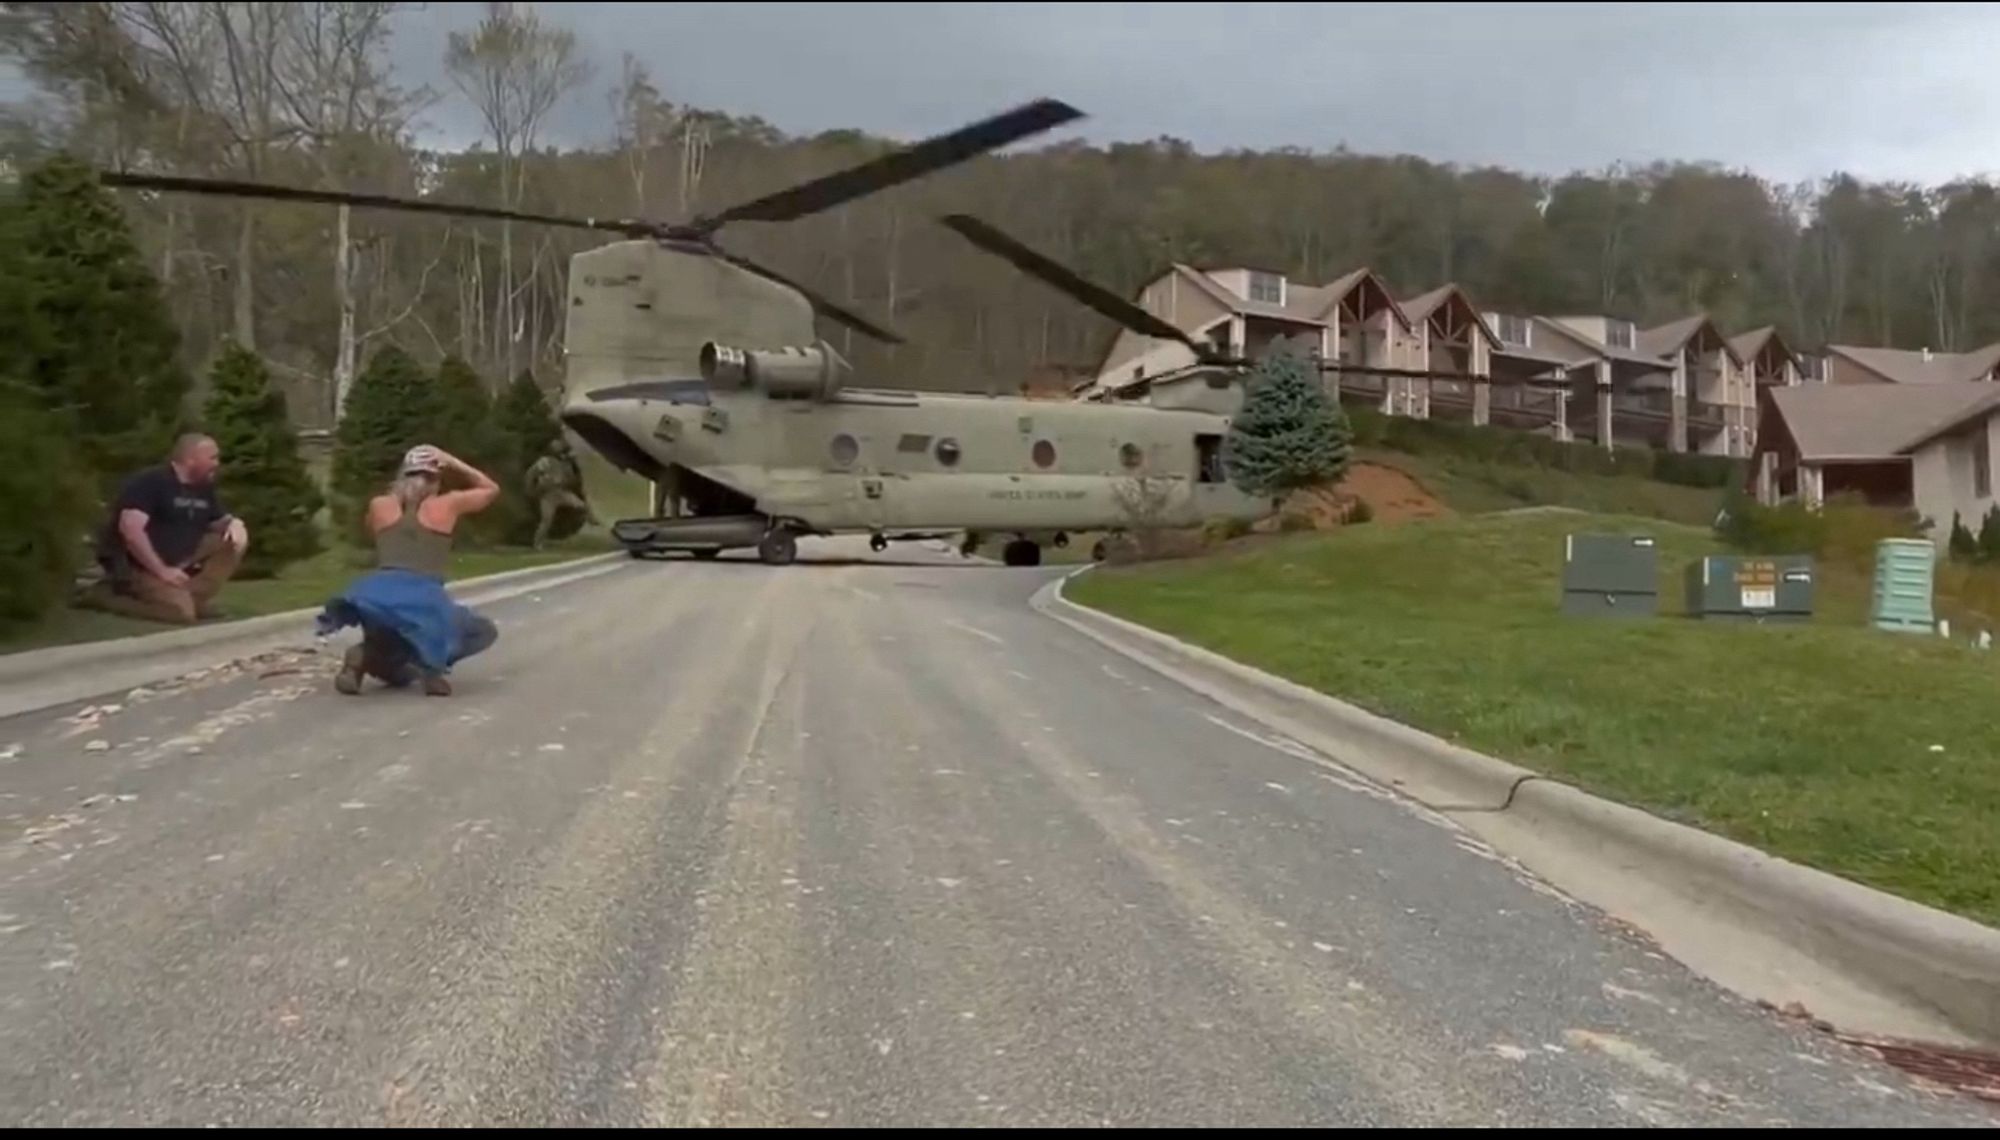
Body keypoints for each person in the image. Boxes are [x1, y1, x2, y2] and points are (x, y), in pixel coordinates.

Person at [316, 445, 500, 697]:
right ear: (436, 480)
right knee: (481, 630)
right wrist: (453, 461)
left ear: (403, 474)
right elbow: (491, 489)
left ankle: (361, 655)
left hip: (375, 593)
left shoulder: (379, 505)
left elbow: (372, 531)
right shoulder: (446, 505)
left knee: (395, 663)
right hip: (422, 595)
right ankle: (432, 667)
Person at [82, 433, 249, 625]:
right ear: (191, 459)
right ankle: (103, 598)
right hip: (140, 565)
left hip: (179, 557)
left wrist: (235, 523)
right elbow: (131, 531)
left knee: (231, 540)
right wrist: (162, 571)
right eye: (212, 458)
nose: (217, 463)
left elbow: (218, 520)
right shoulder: (150, 482)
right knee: (181, 614)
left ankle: (196, 599)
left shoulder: (202, 487)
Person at [526, 437, 600, 550]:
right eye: (555, 447)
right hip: (548, 495)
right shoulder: (544, 461)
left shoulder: (566, 462)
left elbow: (572, 478)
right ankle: (537, 544)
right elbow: (530, 474)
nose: (558, 449)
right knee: (546, 520)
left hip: (562, 492)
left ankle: (592, 521)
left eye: (559, 446)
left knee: (582, 506)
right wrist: (532, 489)